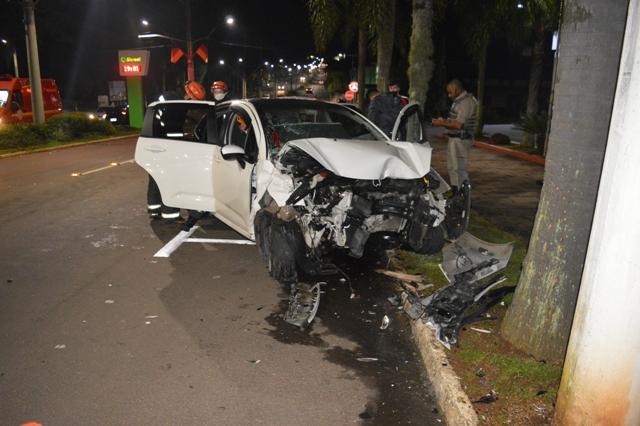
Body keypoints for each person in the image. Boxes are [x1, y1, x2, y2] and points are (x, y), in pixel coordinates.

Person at [431, 79, 478, 191]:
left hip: (460, 140)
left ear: (456, 89)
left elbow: (458, 125)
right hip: (455, 139)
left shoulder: (466, 102)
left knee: (459, 169)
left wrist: (441, 123)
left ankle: (463, 196)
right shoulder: (459, 101)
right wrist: (444, 121)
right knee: (453, 168)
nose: (449, 95)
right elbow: (454, 121)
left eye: (450, 92)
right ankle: (456, 191)